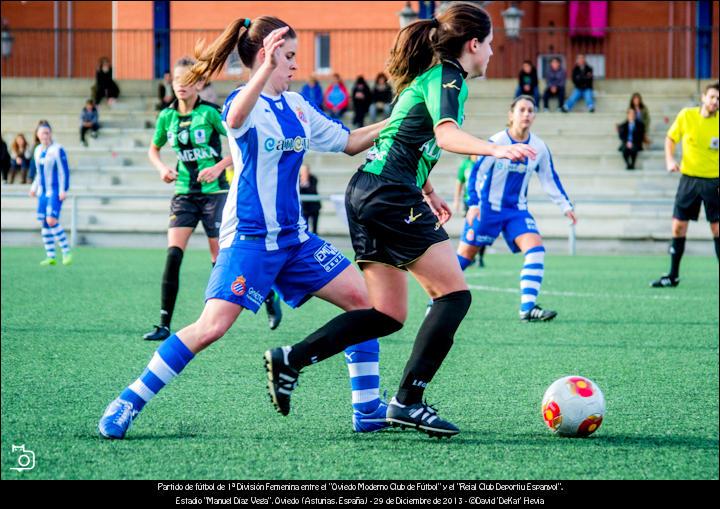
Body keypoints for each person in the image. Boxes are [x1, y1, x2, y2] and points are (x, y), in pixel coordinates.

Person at [98, 16, 393, 440]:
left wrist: (399, 118)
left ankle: (366, 410)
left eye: (294, 57)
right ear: (265, 57)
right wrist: (262, 71)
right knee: (210, 328)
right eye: (287, 56)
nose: (295, 66)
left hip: (295, 239)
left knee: (369, 306)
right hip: (250, 240)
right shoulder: (241, 101)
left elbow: (348, 142)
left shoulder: (296, 106)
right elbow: (235, 118)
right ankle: (130, 399)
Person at [265, 4, 537, 438]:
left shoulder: (431, 79)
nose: (490, 53)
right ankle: (408, 400)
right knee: (454, 296)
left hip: (370, 190)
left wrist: (427, 191)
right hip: (389, 193)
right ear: (473, 44)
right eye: (488, 44)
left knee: (387, 313)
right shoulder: (449, 76)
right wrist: (496, 148)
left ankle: (291, 359)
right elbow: (444, 134)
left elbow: (409, 137)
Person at [142, 56, 251, 341]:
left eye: (188, 81)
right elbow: (153, 150)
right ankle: (164, 323)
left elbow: (240, 142)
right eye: (178, 81)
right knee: (173, 254)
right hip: (184, 193)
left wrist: (218, 166)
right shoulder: (166, 116)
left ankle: (227, 314)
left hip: (215, 194)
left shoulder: (211, 113)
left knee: (219, 257)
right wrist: (162, 168)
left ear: (199, 84)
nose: (182, 86)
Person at [455, 95, 575, 322]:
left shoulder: (539, 147)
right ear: (511, 115)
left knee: (536, 249)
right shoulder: (497, 141)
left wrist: (565, 206)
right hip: (487, 209)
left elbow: (549, 178)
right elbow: (476, 173)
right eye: (522, 110)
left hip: (516, 211)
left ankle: (527, 308)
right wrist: (473, 205)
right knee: (465, 256)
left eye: (531, 110)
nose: (527, 114)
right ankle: (436, 299)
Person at [651, 82, 719, 288]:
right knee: (678, 227)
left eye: (719, 99)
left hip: (714, 182)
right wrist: (670, 160)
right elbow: (670, 139)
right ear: (703, 97)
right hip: (688, 180)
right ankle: (673, 276)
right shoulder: (686, 116)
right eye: (713, 97)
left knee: (717, 229)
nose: (716, 102)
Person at [28, 121, 73, 266]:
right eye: (42, 133)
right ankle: (51, 256)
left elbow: (64, 171)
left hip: (55, 191)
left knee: (51, 220)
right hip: (43, 192)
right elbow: (38, 174)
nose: (45, 135)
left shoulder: (58, 149)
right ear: (37, 134)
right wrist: (34, 187)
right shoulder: (37, 150)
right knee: (44, 223)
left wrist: (63, 190)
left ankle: (66, 251)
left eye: (47, 132)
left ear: (51, 134)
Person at [452, 155, 485, 267]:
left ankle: (480, 257)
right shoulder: (465, 164)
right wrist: (456, 200)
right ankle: (470, 256)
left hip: (483, 202)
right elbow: (459, 182)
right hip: (469, 201)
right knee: (471, 228)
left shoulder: (484, 162)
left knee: (481, 229)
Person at [299, 163, 321, 234]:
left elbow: (313, 190)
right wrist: (302, 182)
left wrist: (305, 183)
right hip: (305, 207)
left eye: (305, 171)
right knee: (305, 225)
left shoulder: (313, 178)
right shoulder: (298, 180)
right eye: (302, 171)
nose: (303, 173)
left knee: (315, 226)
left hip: (314, 206)